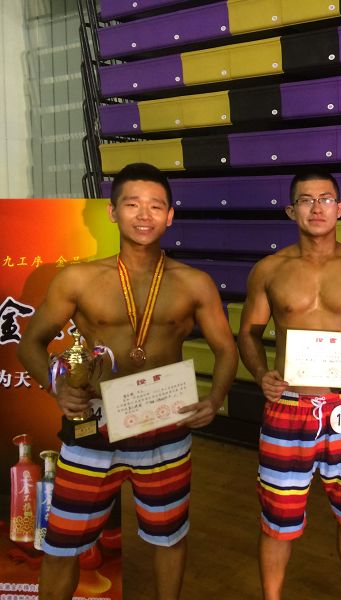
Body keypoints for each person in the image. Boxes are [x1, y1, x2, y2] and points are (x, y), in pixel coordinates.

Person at [17, 162, 239, 600]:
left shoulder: (194, 283)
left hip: (165, 423)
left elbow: (226, 349)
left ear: (170, 216)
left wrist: (215, 398)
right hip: (93, 425)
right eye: (133, 204)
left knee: (169, 537)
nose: (144, 214)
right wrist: (56, 386)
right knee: (62, 546)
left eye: (156, 206)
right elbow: (31, 343)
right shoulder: (79, 279)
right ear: (113, 212)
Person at [237, 170, 341, 600]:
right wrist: (261, 374)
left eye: (325, 199)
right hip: (288, 407)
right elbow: (249, 332)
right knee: (277, 520)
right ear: (292, 211)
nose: (317, 207)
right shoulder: (269, 270)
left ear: (340, 208)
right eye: (306, 200)